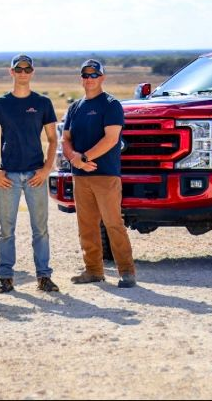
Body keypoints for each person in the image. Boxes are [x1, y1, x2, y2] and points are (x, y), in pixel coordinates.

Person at [0, 54, 59, 293]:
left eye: (27, 69)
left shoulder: (43, 103)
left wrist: (47, 169)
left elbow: (52, 139)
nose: (23, 73)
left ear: (32, 72)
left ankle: (44, 277)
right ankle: (5, 277)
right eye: (19, 69)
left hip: (36, 175)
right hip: (8, 177)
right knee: (6, 230)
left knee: (41, 230)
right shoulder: (0, 104)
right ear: (12, 72)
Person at [62, 59, 137, 288]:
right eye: (85, 75)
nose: (89, 79)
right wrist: (76, 159)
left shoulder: (111, 105)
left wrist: (84, 159)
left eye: (94, 75)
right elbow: (66, 140)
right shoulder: (74, 107)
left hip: (105, 175)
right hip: (80, 176)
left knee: (113, 223)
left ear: (102, 78)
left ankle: (126, 272)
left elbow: (111, 139)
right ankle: (93, 270)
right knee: (86, 225)